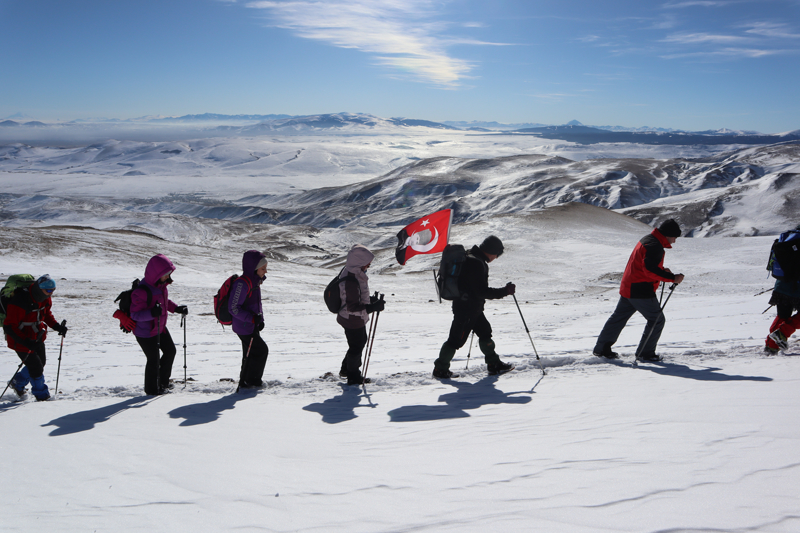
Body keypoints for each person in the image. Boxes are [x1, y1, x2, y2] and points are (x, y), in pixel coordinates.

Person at [593, 219, 685, 361]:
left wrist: (662, 271)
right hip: (641, 290)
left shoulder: (648, 240)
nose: (674, 241)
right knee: (657, 320)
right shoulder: (655, 245)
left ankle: (601, 349)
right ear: (668, 234)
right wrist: (672, 278)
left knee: (618, 318)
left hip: (629, 286)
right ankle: (645, 353)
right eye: (675, 237)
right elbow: (649, 270)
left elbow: (644, 265)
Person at [433, 235, 516, 379]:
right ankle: (440, 369)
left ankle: (494, 364)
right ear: (492, 250)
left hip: (472, 308)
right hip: (466, 310)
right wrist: (505, 291)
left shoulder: (472, 257)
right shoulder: (476, 263)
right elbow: (481, 292)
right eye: (497, 254)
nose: (496, 257)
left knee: (485, 332)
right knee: (455, 340)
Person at [130, 254, 188, 395]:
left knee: (170, 351)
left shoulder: (161, 286)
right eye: (165, 274)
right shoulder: (142, 291)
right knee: (153, 360)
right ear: (156, 274)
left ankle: (163, 383)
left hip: (159, 328)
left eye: (169, 273)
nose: (168, 277)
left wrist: (176, 308)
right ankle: (152, 390)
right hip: (145, 332)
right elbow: (135, 315)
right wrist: (152, 313)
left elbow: (164, 303)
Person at [4, 274, 68, 401]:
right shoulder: (20, 300)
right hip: (20, 339)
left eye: (53, 290)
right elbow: (9, 326)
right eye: (48, 290)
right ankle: (42, 395)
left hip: (37, 337)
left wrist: (57, 327)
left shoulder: (45, 298)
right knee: (36, 367)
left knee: (41, 363)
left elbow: (46, 314)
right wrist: (26, 341)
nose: (51, 293)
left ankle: (17, 382)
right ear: (40, 288)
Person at [336, 244, 385, 386]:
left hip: (352, 318)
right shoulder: (351, 279)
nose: (368, 265)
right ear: (359, 262)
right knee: (356, 347)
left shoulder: (353, 272)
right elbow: (352, 307)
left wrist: (370, 300)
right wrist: (371, 307)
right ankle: (353, 376)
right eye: (367, 263)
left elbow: (355, 297)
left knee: (359, 342)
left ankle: (346, 369)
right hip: (352, 319)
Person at [230, 250, 269, 389]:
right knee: (261, 350)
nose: (265, 271)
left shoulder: (255, 282)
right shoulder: (242, 284)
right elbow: (233, 308)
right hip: (244, 326)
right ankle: (252, 381)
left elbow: (256, 304)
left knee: (250, 353)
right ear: (254, 268)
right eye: (263, 268)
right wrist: (252, 318)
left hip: (251, 324)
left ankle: (246, 381)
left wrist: (260, 319)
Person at [765, 224, 800, 354]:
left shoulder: (788, 237)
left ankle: (771, 347)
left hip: (781, 285)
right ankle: (782, 333)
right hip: (796, 287)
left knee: (782, 316)